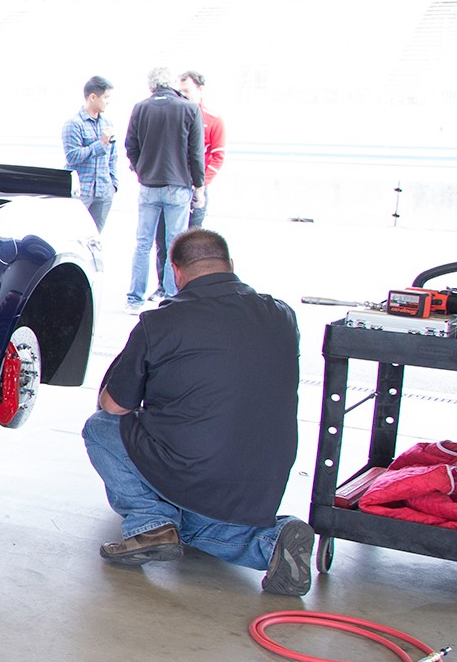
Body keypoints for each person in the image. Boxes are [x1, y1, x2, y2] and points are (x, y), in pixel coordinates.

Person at [83, 228, 313, 597]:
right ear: (231, 265)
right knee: (206, 523)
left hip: (199, 469)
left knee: (101, 429)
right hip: (266, 476)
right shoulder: (281, 314)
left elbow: (115, 406)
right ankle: (272, 542)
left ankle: (150, 523)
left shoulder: (160, 323)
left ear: (175, 271)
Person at [122, 68, 204, 310]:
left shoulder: (141, 108)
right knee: (173, 244)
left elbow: (130, 146)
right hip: (178, 186)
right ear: (172, 84)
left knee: (143, 242)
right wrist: (198, 186)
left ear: (151, 86)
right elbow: (196, 154)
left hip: (148, 185)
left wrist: (141, 170)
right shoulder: (189, 108)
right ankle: (170, 298)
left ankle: (134, 298)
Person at [60, 75, 119, 231]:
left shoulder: (107, 123)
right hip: (81, 192)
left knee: (95, 238)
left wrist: (113, 185)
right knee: (75, 234)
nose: (108, 101)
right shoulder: (74, 124)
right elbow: (72, 156)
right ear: (93, 97)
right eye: (105, 97)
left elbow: (113, 157)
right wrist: (100, 144)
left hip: (104, 191)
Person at [178, 70, 225, 228]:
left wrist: (201, 183)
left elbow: (218, 156)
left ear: (200, 90)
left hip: (196, 186)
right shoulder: (172, 115)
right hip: (172, 184)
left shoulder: (213, 120)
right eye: (180, 91)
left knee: (192, 236)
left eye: (187, 91)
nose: (183, 95)